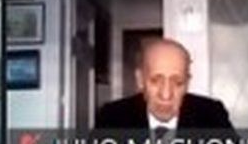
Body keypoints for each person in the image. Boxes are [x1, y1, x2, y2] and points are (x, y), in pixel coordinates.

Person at [92, 37, 233, 130]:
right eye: (155, 81)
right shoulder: (111, 118)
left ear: (187, 84)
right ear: (140, 80)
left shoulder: (213, 116)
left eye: (178, 82)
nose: (166, 95)